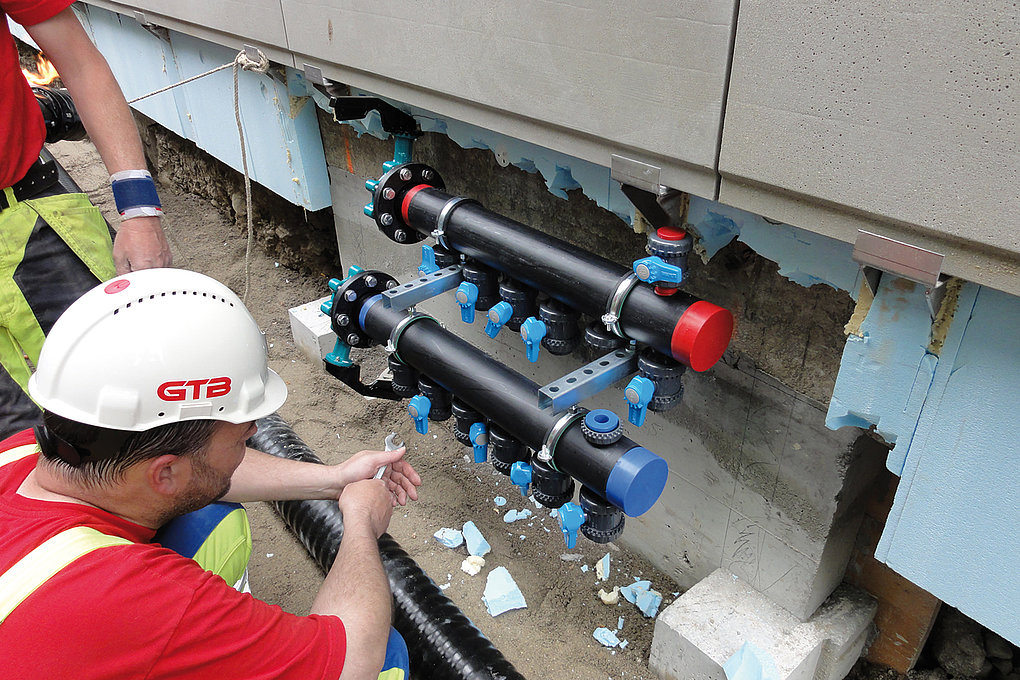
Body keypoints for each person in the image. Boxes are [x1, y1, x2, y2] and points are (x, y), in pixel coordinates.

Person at [0, 268, 422, 679]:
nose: (255, 433)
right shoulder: (140, 600)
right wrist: (361, 524)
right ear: (164, 473)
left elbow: (194, 473)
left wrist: (334, 479)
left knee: (205, 520)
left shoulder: (23, 454)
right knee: (385, 654)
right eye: (240, 438)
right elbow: (351, 661)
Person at [1, 1, 172, 440]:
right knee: (17, 455)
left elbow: (80, 62)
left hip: (31, 219)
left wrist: (138, 213)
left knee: (142, 409)